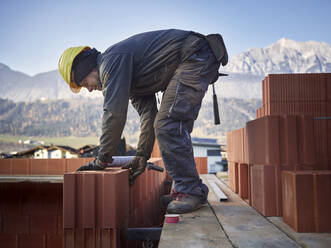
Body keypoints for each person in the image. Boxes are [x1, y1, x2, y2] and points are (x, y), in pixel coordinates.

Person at [58, 29, 228, 214]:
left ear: (86, 68)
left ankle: (189, 191)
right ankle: (189, 189)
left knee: (168, 124)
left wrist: (102, 158)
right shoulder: (128, 78)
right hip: (192, 58)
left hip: (195, 56)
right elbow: (149, 116)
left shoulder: (111, 62)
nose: (89, 89)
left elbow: (114, 114)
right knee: (166, 124)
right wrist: (141, 156)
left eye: (84, 83)